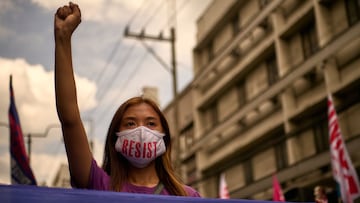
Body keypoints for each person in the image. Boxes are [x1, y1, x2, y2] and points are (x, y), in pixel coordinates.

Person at [54, 2, 200, 197]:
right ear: (116, 136)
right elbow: (70, 119)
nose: (141, 131)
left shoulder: (187, 196)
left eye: (151, 123)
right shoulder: (99, 185)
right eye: (130, 123)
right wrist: (63, 39)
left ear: (164, 136)